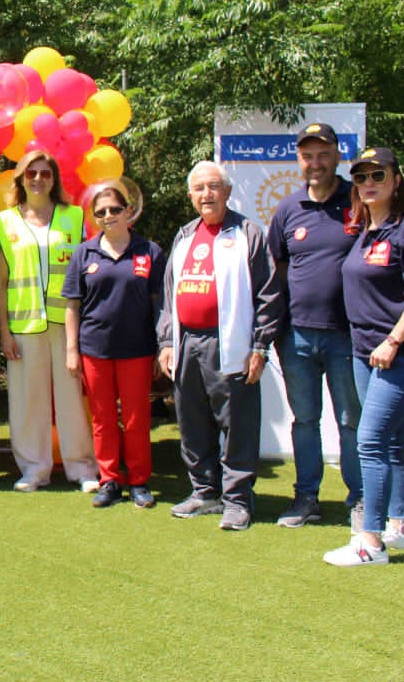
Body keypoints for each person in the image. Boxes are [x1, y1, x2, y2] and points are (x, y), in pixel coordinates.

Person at [270, 123, 404, 529]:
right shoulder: (287, 210)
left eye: (323, 154)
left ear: (336, 156)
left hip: (349, 336)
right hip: (297, 334)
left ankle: (361, 500)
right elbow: (278, 271)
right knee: (304, 420)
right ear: (299, 160)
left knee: (355, 423)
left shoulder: (356, 205)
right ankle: (307, 498)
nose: (315, 162)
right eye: (307, 155)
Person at [324, 147, 404, 566]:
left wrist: (392, 342)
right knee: (391, 440)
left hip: (403, 355)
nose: (369, 183)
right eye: (361, 177)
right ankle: (400, 527)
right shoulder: (365, 230)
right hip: (364, 353)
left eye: (378, 175)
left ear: (396, 180)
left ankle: (370, 543)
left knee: (370, 440)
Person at [157, 161, 285, 531]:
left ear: (227, 192)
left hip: (230, 344)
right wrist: (167, 341)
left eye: (213, 187)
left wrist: (260, 346)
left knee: (237, 424)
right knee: (193, 422)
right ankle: (204, 491)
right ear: (190, 196)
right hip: (187, 343)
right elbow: (169, 298)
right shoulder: (184, 236)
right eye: (199, 188)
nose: (206, 194)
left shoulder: (248, 233)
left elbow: (268, 294)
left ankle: (238, 500)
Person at [0, 150, 97, 493]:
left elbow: (85, 275)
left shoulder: (74, 216)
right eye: (31, 173)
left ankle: (82, 468)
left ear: (54, 179)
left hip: (67, 324)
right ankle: (34, 469)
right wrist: (3, 329)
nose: (38, 179)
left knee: (72, 397)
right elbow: (0, 280)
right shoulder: (4, 221)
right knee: (26, 399)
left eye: (45, 173)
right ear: (21, 179)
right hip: (23, 325)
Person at [64, 178, 166, 509]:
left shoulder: (149, 251)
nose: (109, 216)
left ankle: (138, 480)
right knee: (103, 418)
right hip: (94, 349)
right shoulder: (84, 253)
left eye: (115, 209)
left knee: (136, 418)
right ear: (95, 217)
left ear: (128, 211)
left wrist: (162, 345)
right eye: (101, 211)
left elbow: (160, 304)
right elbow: (72, 306)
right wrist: (71, 350)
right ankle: (109, 480)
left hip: (137, 349)